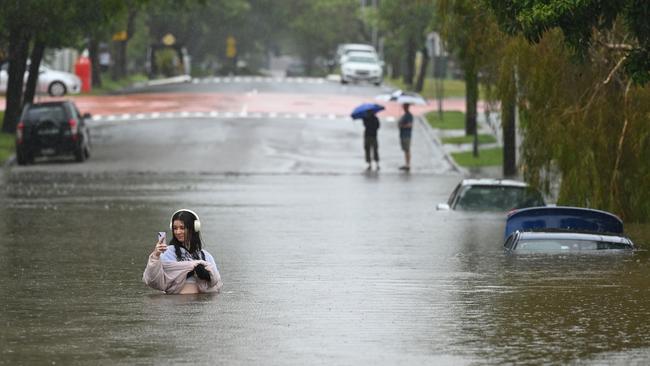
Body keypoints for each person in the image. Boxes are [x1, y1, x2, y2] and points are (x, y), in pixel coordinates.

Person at [143, 209, 223, 294]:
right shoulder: (166, 253)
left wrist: (207, 275)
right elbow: (152, 280)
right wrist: (155, 255)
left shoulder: (206, 256)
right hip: (175, 304)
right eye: (175, 228)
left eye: (182, 228)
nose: (178, 232)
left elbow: (216, 282)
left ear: (194, 228)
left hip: (200, 304)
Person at [397, 103, 413, 171]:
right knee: (405, 150)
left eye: (404, 106)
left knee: (407, 149)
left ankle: (408, 164)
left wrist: (402, 126)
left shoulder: (409, 115)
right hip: (402, 134)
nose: (403, 107)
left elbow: (410, 125)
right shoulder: (404, 115)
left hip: (406, 135)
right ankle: (406, 163)